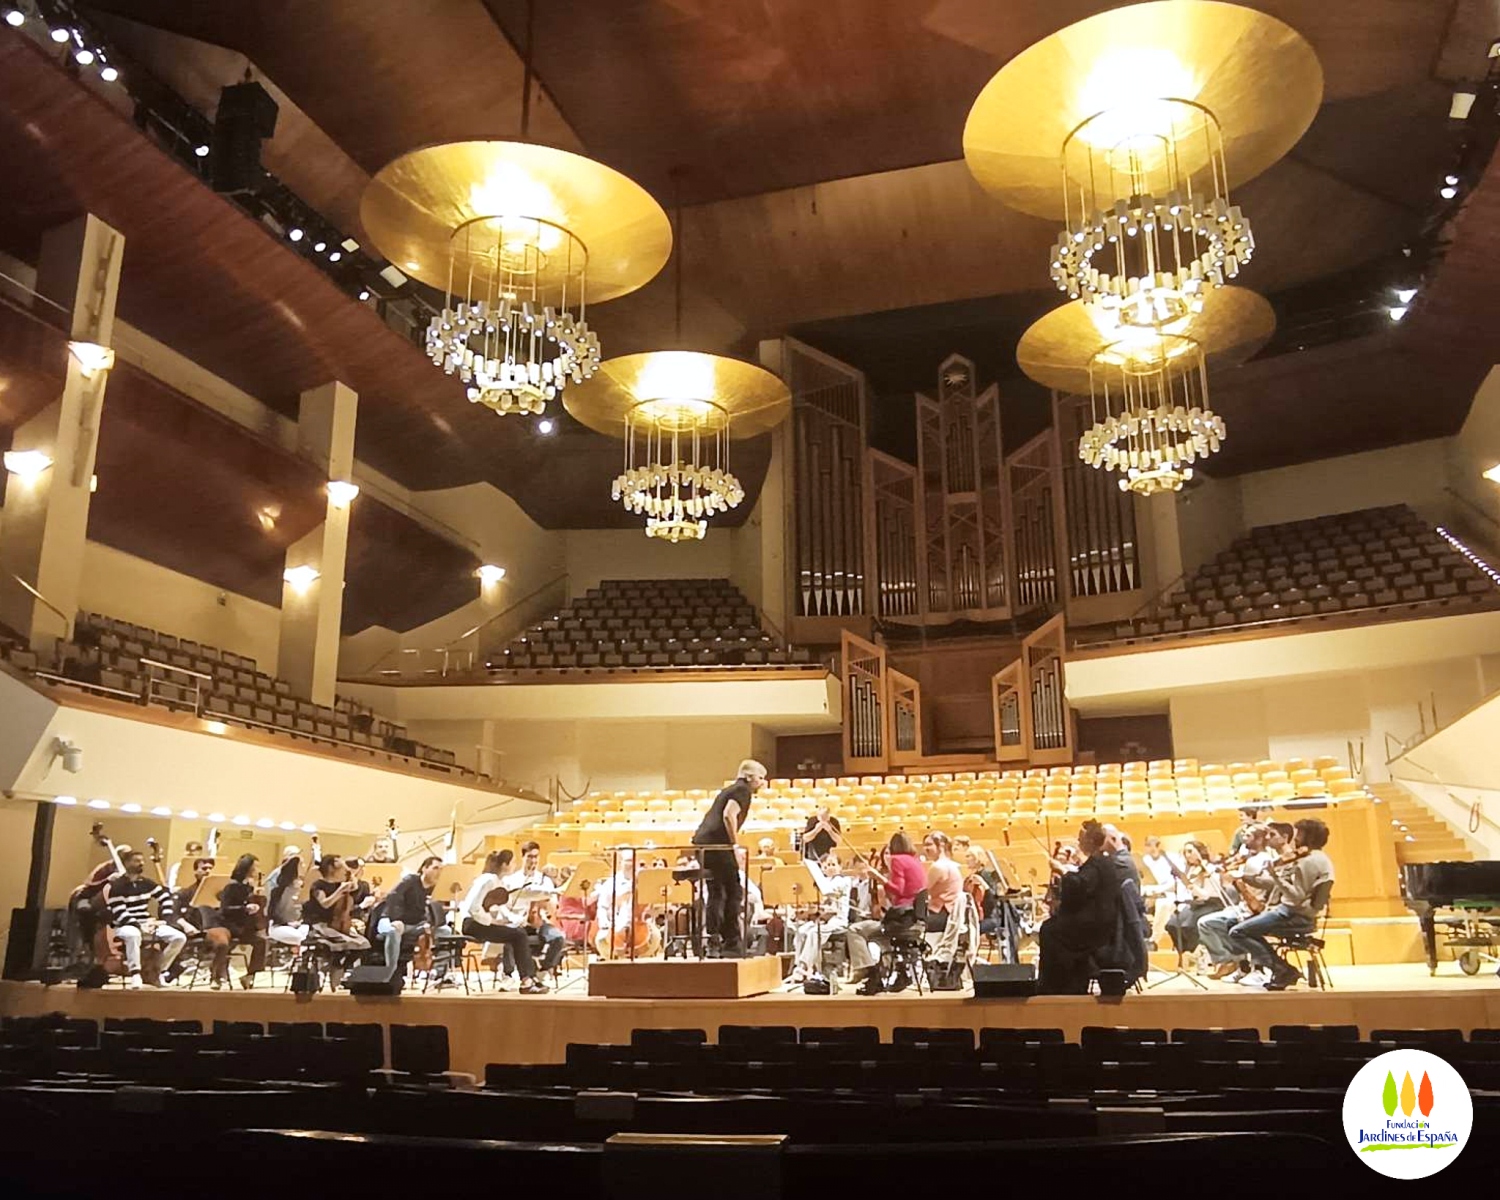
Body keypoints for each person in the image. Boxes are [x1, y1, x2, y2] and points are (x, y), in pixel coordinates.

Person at [1226, 818, 1335, 990]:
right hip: (1300, 913)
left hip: (1293, 914)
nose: (1295, 838)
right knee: (1235, 923)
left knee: (1237, 931)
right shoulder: (1321, 858)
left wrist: (1275, 875)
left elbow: (1296, 896)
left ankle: (1282, 969)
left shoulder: (1307, 862)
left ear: (1309, 836)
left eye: (1299, 834)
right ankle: (1276, 969)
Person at [1036, 820, 1133, 995]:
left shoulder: (1099, 862)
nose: (1078, 840)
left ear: (1090, 840)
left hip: (1095, 927)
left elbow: (1080, 886)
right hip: (1096, 920)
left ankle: (1059, 986)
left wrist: (1061, 870)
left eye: (1081, 837)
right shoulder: (1100, 861)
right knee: (1052, 925)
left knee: (1049, 930)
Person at [692, 758, 767, 957]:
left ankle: (714, 941)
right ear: (749, 777)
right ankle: (731, 942)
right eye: (760, 778)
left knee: (716, 892)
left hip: (703, 843)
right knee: (733, 892)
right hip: (718, 845)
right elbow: (728, 814)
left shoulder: (729, 790)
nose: (762, 783)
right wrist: (734, 845)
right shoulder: (742, 790)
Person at [847, 832, 927, 994]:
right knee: (880, 935)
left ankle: (869, 972)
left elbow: (899, 890)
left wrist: (879, 877)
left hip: (901, 921)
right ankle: (900, 970)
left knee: (855, 930)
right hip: (915, 920)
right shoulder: (915, 861)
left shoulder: (897, 860)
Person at [457, 850, 547, 993]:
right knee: (518, 935)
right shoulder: (488, 879)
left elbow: (501, 906)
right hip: (472, 924)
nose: (515, 865)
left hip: (479, 923)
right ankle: (527, 981)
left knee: (518, 933)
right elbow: (473, 908)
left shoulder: (498, 881)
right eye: (513, 862)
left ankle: (529, 978)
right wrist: (491, 921)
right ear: (505, 864)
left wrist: (512, 920)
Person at [1197, 824, 1277, 980]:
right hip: (1242, 906)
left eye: (1248, 835)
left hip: (1255, 908)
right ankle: (1238, 963)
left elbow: (1266, 885)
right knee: (1208, 923)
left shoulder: (1264, 860)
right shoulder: (1248, 858)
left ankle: (1253, 967)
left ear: (1259, 839)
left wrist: (1240, 880)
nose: (1243, 838)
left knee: (1218, 923)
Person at [104, 849, 187, 989]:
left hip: (146, 922)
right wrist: (139, 925)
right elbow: (120, 913)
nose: (141, 863)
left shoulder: (146, 883)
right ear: (126, 863)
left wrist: (164, 919)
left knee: (179, 937)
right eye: (137, 861)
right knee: (133, 935)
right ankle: (135, 973)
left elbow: (165, 897)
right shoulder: (117, 886)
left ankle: (157, 971)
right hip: (124, 925)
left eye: (142, 861)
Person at [788, 851, 855, 983]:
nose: (830, 867)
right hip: (823, 920)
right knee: (801, 931)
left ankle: (804, 967)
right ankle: (799, 965)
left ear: (840, 867)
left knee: (814, 932)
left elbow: (829, 892)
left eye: (833, 864)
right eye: (827, 865)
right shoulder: (823, 882)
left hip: (837, 920)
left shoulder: (844, 881)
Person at [301, 855, 372, 978]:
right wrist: (339, 891)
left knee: (364, 944)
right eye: (341, 868)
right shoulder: (318, 885)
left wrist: (349, 872)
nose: (343, 871)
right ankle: (334, 964)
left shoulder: (339, 884)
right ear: (331, 869)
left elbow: (354, 886)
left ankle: (341, 967)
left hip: (339, 925)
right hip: (321, 925)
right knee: (344, 943)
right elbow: (325, 903)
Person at [502, 841, 566, 973]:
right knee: (509, 939)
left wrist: (547, 907)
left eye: (536, 857)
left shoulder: (545, 880)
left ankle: (544, 967)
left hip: (539, 922)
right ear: (523, 857)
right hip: (519, 922)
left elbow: (552, 906)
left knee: (558, 938)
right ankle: (508, 974)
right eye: (530, 857)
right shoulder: (511, 880)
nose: (533, 861)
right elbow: (507, 904)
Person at [208, 853, 266, 989]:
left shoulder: (248, 887)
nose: (257, 871)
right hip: (226, 925)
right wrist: (244, 909)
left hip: (241, 926)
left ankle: (249, 975)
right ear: (247, 868)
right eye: (255, 867)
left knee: (261, 942)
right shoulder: (231, 887)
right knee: (222, 944)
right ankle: (215, 976)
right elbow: (225, 909)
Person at [376, 856, 442, 969]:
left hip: (415, 925)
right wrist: (395, 919)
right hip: (389, 919)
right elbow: (393, 897)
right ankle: (391, 970)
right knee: (393, 931)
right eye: (435, 868)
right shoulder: (410, 880)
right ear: (424, 868)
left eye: (441, 869)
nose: (439, 872)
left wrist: (430, 922)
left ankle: (439, 971)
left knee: (445, 931)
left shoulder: (436, 889)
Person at [1163, 841, 1224, 959]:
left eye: (1190, 851)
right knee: (1171, 924)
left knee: (1188, 926)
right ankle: (1185, 953)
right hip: (1196, 904)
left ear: (1200, 852)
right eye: (1185, 852)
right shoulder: (1191, 870)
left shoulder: (1210, 869)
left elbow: (1206, 895)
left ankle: (1196, 953)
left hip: (1211, 904)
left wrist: (1191, 887)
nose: (1187, 855)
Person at [1140, 836, 1188, 949]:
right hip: (1151, 892)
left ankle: (1155, 939)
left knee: (1164, 903)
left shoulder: (1172, 858)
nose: (1153, 848)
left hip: (1172, 891)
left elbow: (1178, 882)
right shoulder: (1145, 860)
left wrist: (1157, 890)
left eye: (1156, 845)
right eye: (1148, 845)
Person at [922, 832, 963, 932]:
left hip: (942, 915)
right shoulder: (953, 864)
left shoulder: (938, 866)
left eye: (929, 844)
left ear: (941, 846)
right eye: (925, 845)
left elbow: (922, 890)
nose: (926, 848)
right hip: (951, 914)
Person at [735, 845, 772, 956]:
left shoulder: (743, 874)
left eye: (745, 857)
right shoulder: (737, 875)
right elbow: (748, 897)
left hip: (755, 912)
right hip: (746, 914)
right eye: (741, 857)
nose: (744, 860)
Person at [266, 855, 309, 948]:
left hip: (299, 925)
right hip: (280, 926)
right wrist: (288, 923)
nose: (304, 866)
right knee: (296, 937)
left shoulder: (303, 890)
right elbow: (273, 913)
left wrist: (300, 922)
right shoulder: (278, 891)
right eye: (301, 864)